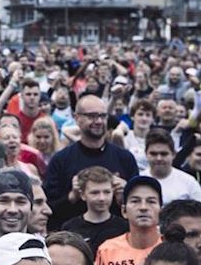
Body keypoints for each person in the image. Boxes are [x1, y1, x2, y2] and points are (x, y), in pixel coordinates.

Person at [43, 95, 139, 226]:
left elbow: (138, 207)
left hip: (118, 235)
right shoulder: (61, 160)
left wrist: (125, 195)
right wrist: (72, 196)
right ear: (77, 118)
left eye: (103, 116)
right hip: (72, 236)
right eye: (92, 116)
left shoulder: (125, 158)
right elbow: (48, 209)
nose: (99, 121)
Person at [94, 176, 163, 265]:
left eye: (151, 201)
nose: (143, 207)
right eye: (135, 201)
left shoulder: (172, 247)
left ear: (160, 211)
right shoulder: (107, 250)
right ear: (124, 211)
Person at [61, 166, 128, 256]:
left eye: (107, 192)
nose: (102, 198)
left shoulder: (124, 228)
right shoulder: (70, 228)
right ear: (83, 195)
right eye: (95, 193)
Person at [143, 128, 201, 205]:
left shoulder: (189, 182)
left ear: (174, 154)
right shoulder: (138, 180)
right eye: (153, 154)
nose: (158, 158)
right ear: (146, 154)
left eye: (164, 154)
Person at [0, 167, 36, 236]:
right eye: (3, 201)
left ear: (31, 207)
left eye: (21, 202)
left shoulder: (43, 245)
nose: (13, 210)